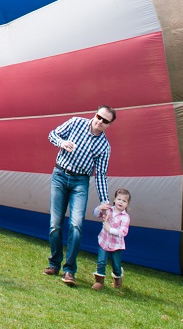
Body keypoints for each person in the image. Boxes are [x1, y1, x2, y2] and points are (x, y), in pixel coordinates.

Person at [44, 106, 115, 286]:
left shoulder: (104, 146)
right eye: (99, 117)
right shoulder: (76, 122)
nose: (100, 122)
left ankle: (69, 270)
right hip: (60, 175)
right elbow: (52, 134)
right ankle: (54, 263)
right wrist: (62, 143)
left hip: (80, 182)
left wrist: (105, 201)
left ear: (109, 125)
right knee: (55, 224)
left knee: (76, 225)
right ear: (95, 114)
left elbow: (100, 175)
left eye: (105, 121)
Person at [92, 187, 131, 291]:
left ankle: (118, 278)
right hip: (104, 241)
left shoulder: (125, 217)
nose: (121, 202)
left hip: (116, 245)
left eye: (124, 201)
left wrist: (110, 229)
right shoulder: (109, 210)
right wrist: (99, 207)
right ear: (114, 200)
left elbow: (123, 232)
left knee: (116, 265)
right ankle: (99, 281)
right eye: (119, 199)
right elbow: (96, 214)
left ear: (127, 204)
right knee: (101, 261)